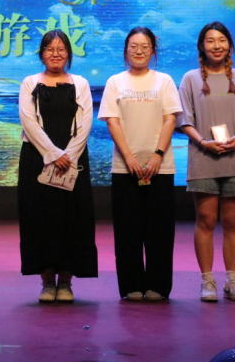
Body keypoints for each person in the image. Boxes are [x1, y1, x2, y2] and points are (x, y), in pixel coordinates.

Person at [178, 21, 235, 302]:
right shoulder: (190, 78)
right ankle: (208, 282)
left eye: (222, 40)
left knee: (233, 221)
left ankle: (233, 282)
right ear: (201, 47)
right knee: (205, 220)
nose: (216, 46)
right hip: (203, 157)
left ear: (229, 45)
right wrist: (203, 142)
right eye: (210, 40)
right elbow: (184, 120)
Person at [98, 27, 182, 302]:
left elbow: (170, 119)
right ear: (126, 51)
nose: (139, 51)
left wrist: (157, 154)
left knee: (160, 229)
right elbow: (112, 121)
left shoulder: (164, 81)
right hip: (125, 167)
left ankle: (158, 285)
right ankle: (131, 284)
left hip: (161, 167)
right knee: (127, 230)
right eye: (133, 46)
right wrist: (129, 157)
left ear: (153, 51)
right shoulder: (115, 81)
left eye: (145, 47)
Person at [18, 30, 98, 303]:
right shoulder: (30, 82)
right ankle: (46, 282)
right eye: (49, 49)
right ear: (42, 53)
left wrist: (69, 156)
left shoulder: (81, 83)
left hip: (73, 160)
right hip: (37, 158)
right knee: (39, 218)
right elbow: (28, 121)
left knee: (71, 219)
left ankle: (66, 282)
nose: (55, 54)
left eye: (61, 49)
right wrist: (52, 154)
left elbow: (86, 122)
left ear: (68, 54)